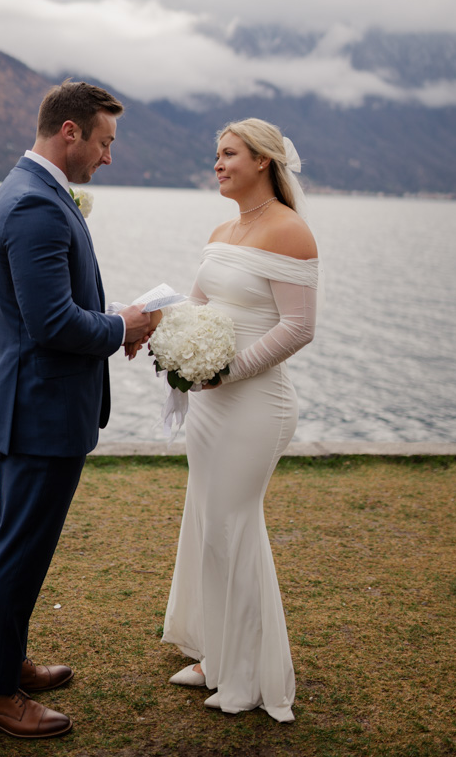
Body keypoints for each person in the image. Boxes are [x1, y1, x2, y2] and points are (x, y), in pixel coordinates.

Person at [0, 80, 151, 739]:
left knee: (16, 545)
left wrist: (111, 322)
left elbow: (55, 311)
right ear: (69, 133)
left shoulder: (32, 191)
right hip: (40, 412)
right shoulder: (35, 206)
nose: (107, 156)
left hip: (37, 405)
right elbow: (51, 324)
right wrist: (119, 326)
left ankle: (3, 661)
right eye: (104, 141)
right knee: (18, 550)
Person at [161, 118, 319, 721]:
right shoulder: (223, 228)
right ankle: (214, 655)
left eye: (229, 154)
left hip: (256, 406)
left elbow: (299, 328)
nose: (218, 164)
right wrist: (169, 337)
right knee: (206, 525)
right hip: (207, 405)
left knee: (233, 528)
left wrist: (228, 371)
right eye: (217, 155)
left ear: (263, 161)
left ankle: (249, 676)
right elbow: (200, 306)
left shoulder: (290, 231)